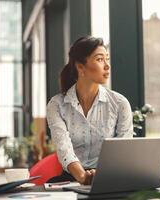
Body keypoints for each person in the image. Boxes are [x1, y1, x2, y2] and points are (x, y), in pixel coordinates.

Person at [46, 36, 133, 185]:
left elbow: (122, 151)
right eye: (100, 59)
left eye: (107, 59)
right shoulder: (57, 105)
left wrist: (101, 176)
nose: (107, 66)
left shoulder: (120, 103)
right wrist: (82, 177)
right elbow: (63, 147)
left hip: (110, 178)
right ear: (80, 67)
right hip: (72, 177)